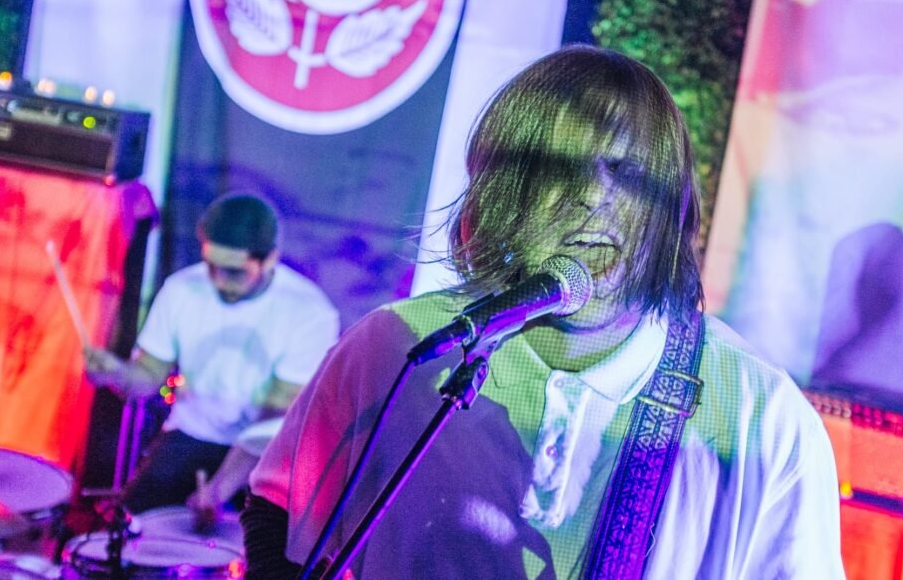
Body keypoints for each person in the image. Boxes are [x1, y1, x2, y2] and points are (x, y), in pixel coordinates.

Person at [242, 46, 844, 578]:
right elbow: (280, 510)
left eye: (625, 171)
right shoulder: (401, 346)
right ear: (498, 196)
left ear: (671, 210)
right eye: (560, 168)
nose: (593, 195)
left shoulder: (758, 413)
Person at [84, 193, 340, 517]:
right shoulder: (181, 289)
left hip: (267, 449)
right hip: (190, 434)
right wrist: (116, 373)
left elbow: (274, 420)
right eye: (211, 266)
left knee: (253, 539)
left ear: (270, 259)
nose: (218, 281)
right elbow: (149, 375)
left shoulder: (310, 313)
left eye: (234, 272)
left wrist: (220, 489)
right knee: (129, 528)